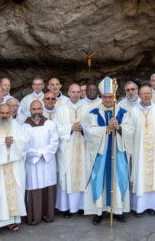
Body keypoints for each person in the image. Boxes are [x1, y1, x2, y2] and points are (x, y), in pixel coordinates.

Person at [85, 77, 130, 224]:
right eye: (105, 97)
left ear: (115, 97)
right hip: (101, 154)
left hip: (117, 152)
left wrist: (119, 127)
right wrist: (106, 128)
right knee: (99, 179)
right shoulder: (93, 113)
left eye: (110, 97)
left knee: (119, 178)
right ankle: (98, 211)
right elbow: (89, 131)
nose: (108, 99)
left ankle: (117, 210)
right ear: (101, 97)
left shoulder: (123, 113)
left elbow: (131, 130)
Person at [122, 85, 155, 216]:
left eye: (148, 93)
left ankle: (152, 206)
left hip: (154, 152)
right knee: (139, 176)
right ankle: (139, 207)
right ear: (139, 94)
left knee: (154, 177)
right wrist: (130, 151)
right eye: (143, 94)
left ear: (151, 94)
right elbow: (128, 132)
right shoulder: (133, 111)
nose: (146, 96)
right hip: (139, 152)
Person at [54, 84, 91, 218]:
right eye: (73, 92)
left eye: (78, 92)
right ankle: (68, 208)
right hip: (67, 149)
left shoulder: (87, 108)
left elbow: (92, 127)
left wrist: (83, 128)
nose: (75, 94)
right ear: (68, 92)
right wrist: (70, 127)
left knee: (83, 174)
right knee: (68, 176)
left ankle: (82, 206)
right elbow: (56, 128)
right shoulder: (61, 109)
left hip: (83, 147)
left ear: (81, 93)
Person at [0, 104, 28, 236]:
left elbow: (24, 142)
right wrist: (3, 145)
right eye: (2, 113)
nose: (4, 115)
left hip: (14, 167)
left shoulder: (16, 126)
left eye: (7, 113)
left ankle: (12, 221)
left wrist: (13, 143)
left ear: (11, 113)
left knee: (14, 193)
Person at [23, 100, 59, 225]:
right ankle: (35, 217)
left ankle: (48, 214)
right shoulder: (24, 127)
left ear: (42, 109)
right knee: (34, 186)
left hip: (47, 162)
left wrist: (44, 153)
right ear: (30, 110)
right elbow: (24, 146)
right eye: (34, 109)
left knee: (48, 185)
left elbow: (55, 142)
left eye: (39, 109)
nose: (37, 111)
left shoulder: (50, 124)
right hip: (33, 163)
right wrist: (38, 154)